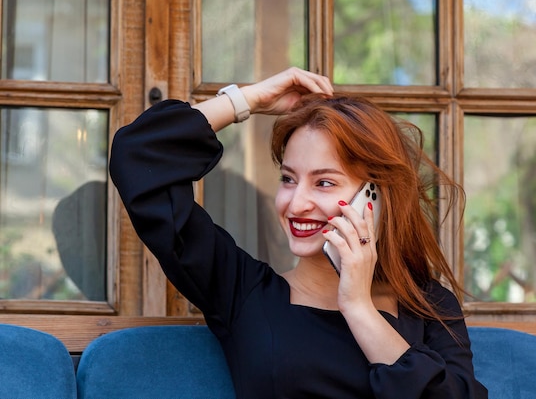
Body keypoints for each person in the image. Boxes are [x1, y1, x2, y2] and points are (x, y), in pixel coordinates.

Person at [109, 67, 488, 398]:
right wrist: (248, 100)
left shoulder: (428, 306)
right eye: (288, 179)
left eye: (324, 183)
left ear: (374, 198)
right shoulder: (242, 292)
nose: (296, 203)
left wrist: (358, 307)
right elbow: (140, 154)